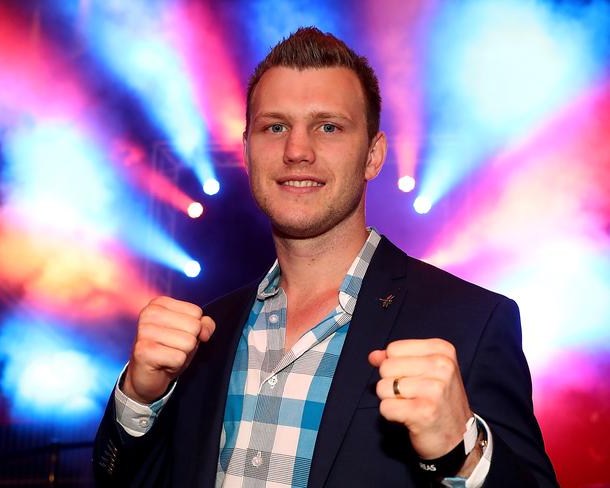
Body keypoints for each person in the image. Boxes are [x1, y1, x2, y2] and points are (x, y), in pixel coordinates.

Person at [93, 27, 558, 487]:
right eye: (275, 127)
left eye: (329, 127)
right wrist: (139, 398)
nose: (297, 150)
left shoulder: (472, 322)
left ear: (373, 156)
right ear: (249, 152)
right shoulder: (204, 337)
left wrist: (462, 452)